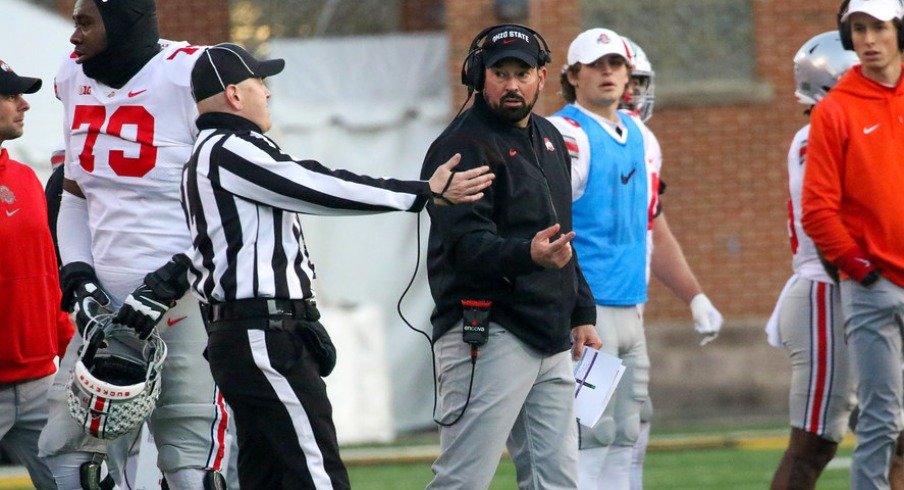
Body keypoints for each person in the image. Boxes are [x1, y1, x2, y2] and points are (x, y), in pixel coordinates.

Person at [182, 42, 493, 489]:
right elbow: (313, 184)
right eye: (260, 83)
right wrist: (421, 192)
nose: (268, 93)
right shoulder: (228, 147)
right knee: (318, 473)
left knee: (266, 475)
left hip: (252, 333)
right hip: (261, 333)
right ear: (234, 94)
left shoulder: (214, 151)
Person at [37, 1, 232, 488]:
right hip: (106, 308)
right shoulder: (72, 76)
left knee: (191, 463)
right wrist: (78, 276)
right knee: (69, 459)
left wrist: (172, 280)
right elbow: (75, 190)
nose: (73, 37)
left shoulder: (192, 72)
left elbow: (231, 195)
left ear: (122, 22)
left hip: (187, 303)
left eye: (85, 22)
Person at [420, 24, 602, 489]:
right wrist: (528, 255)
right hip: (487, 332)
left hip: (550, 333)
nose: (512, 84)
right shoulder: (464, 145)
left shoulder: (548, 137)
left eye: (522, 72)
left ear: (542, 77)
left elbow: (562, 234)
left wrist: (582, 311)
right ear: (480, 77)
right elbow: (463, 247)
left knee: (557, 478)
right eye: (501, 73)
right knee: (464, 477)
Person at [548, 28, 723, 489]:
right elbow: (545, 225)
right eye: (596, 64)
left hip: (631, 306)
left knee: (628, 431)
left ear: (628, 73)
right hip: (590, 310)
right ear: (572, 75)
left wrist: (695, 295)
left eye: (616, 64)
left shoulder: (643, 138)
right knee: (591, 432)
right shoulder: (566, 134)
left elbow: (651, 228)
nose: (607, 73)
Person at [802, 0, 904, 488]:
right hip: (874, 288)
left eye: (878, 27)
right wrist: (861, 269)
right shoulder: (836, 109)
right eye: (857, 29)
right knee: (882, 420)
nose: (868, 39)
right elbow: (818, 209)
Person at [765, 30, 860, 490]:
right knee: (814, 444)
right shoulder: (813, 136)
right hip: (831, 292)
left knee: (897, 437)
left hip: (875, 290)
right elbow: (825, 222)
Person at [0, 59, 73, 489]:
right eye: (9, 96)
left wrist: (70, 352)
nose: (24, 105)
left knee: (79, 482)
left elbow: (48, 276)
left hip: (40, 383)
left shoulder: (27, 178)